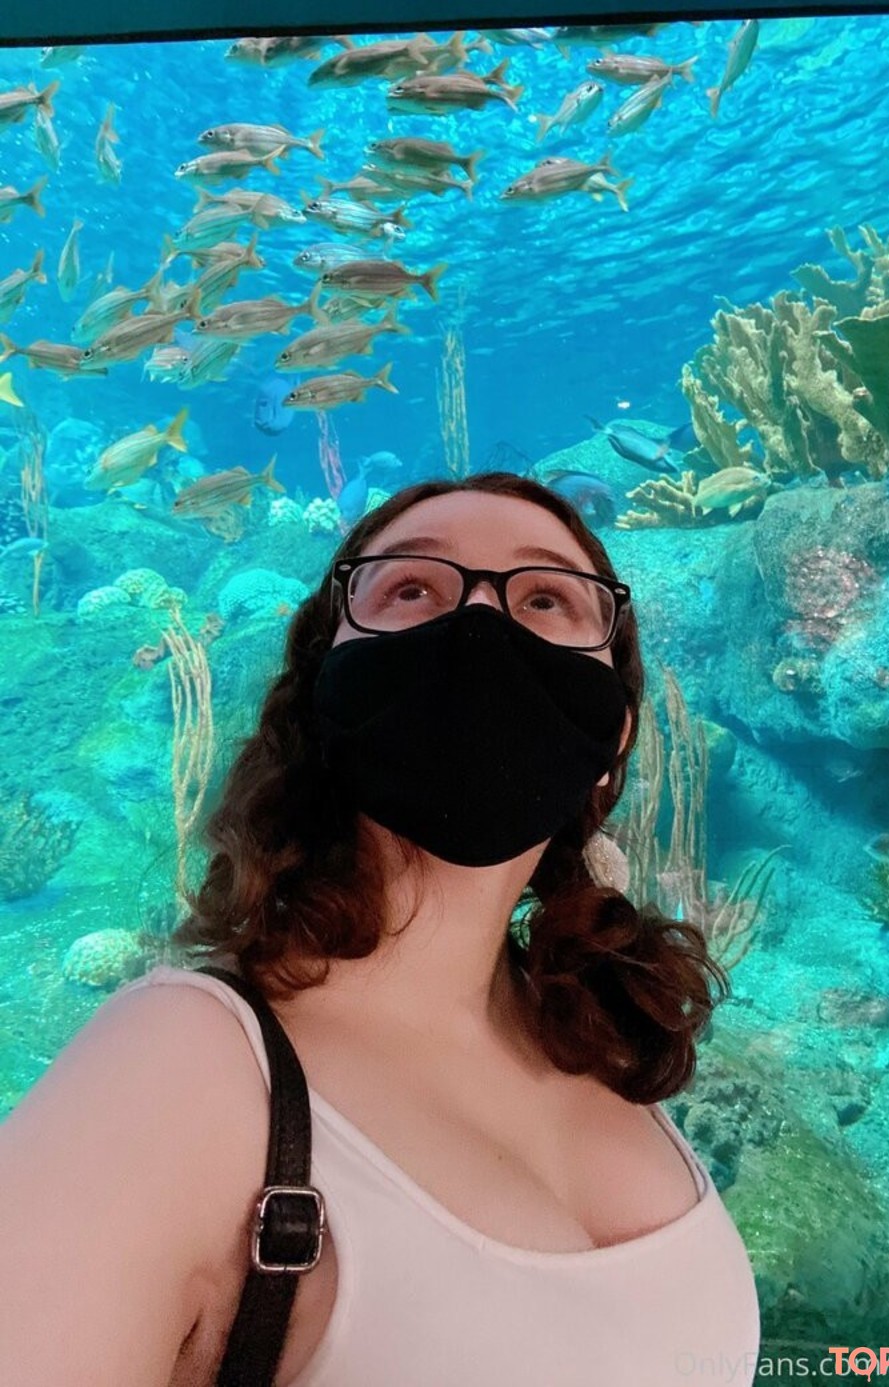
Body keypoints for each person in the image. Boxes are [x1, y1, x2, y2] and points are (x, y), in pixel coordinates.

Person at [0, 472, 761, 1386]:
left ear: (615, 739)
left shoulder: (601, 1038)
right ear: (322, 697)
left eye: (546, 596)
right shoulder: (177, 1063)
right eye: (412, 588)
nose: (480, 620)